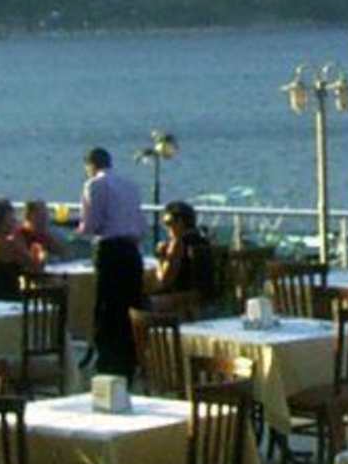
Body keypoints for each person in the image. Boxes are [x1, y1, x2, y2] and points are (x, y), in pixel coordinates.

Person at [75, 146, 144, 376]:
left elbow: (91, 225)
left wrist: (76, 230)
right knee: (131, 303)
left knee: (107, 305)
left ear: (90, 165)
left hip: (110, 250)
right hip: (131, 251)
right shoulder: (130, 185)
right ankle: (131, 356)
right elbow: (139, 223)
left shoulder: (94, 185)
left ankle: (107, 359)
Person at [152, 201, 216, 303]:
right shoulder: (203, 241)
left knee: (141, 301)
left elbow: (164, 280)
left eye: (168, 223)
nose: (166, 228)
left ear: (180, 222)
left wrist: (160, 257)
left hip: (183, 297)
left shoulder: (177, 244)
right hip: (205, 296)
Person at [0, 198, 41, 301]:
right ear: (3, 222)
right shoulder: (10, 244)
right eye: (12, 218)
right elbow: (35, 268)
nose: (16, 221)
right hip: (10, 299)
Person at [17, 199, 71, 263]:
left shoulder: (44, 236)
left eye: (46, 215)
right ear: (29, 216)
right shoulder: (19, 236)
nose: (45, 220)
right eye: (40, 215)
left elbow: (65, 253)